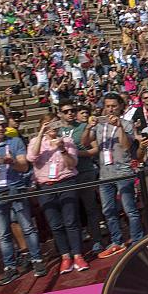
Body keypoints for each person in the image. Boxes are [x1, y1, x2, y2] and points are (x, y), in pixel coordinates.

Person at [82, 93, 143, 259]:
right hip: (105, 174)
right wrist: (88, 127)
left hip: (123, 172)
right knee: (108, 210)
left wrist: (120, 127)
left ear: (120, 107)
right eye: (107, 106)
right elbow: (85, 142)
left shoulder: (127, 124)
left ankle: (138, 239)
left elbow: (125, 146)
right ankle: (117, 241)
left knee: (130, 209)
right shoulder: (99, 125)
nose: (110, 109)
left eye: (113, 106)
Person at [26, 114, 89, 274]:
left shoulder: (67, 141)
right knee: (55, 224)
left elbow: (72, 164)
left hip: (66, 183)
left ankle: (77, 255)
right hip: (46, 186)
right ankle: (65, 256)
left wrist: (62, 149)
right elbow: (31, 157)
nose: (52, 128)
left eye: (55, 124)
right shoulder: (35, 142)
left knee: (71, 221)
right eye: (48, 124)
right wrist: (41, 134)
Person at [0, 114, 47, 285]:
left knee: (27, 227)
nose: (1, 128)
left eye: (3, 125)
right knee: (3, 233)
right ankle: (10, 267)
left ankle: (37, 260)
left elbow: (24, 166)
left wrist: (10, 162)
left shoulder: (15, 142)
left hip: (16, 189)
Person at [57, 99, 104, 253]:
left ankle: (97, 240)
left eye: (72, 110)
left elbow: (95, 149)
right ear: (60, 114)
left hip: (85, 172)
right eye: (65, 111)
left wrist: (76, 153)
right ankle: (76, 246)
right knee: (72, 212)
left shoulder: (84, 126)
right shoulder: (56, 130)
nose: (70, 113)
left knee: (90, 207)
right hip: (65, 175)